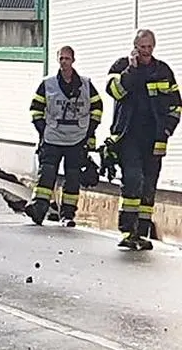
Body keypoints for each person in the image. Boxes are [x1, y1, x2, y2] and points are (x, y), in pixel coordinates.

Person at [105, 29, 181, 250]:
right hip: (128, 137)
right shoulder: (120, 67)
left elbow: (176, 105)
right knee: (133, 180)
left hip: (155, 140)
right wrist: (132, 70)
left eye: (150, 47)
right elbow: (116, 92)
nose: (147, 52)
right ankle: (128, 231)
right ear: (135, 47)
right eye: (142, 48)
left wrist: (166, 130)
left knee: (148, 186)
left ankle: (141, 232)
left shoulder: (163, 71)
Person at [26, 46, 103, 227]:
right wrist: (43, 130)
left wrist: (89, 132)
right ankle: (39, 209)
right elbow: (36, 108)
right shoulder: (48, 84)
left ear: (73, 60)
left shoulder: (86, 84)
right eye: (61, 58)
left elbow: (97, 107)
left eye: (67, 59)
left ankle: (68, 215)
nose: (64, 62)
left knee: (73, 178)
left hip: (77, 138)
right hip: (52, 137)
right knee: (46, 175)